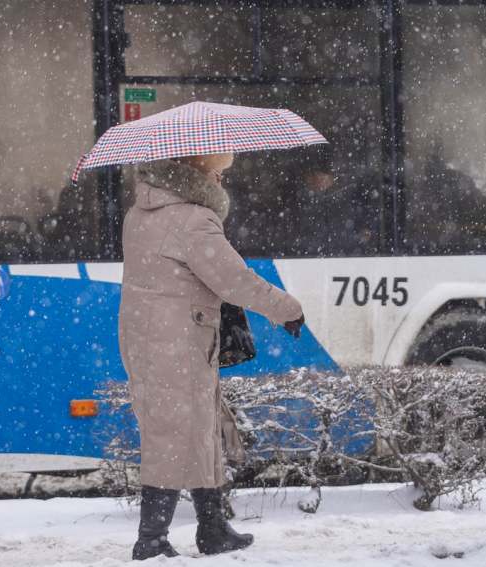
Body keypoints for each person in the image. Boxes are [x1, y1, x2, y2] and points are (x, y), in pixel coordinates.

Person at [118, 152, 306, 560]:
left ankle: (213, 528)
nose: (223, 180)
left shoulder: (139, 212)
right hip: (179, 340)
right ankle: (151, 539)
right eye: (218, 172)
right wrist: (286, 307)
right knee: (172, 435)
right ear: (197, 171)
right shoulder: (192, 220)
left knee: (198, 428)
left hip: (149, 336)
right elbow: (235, 280)